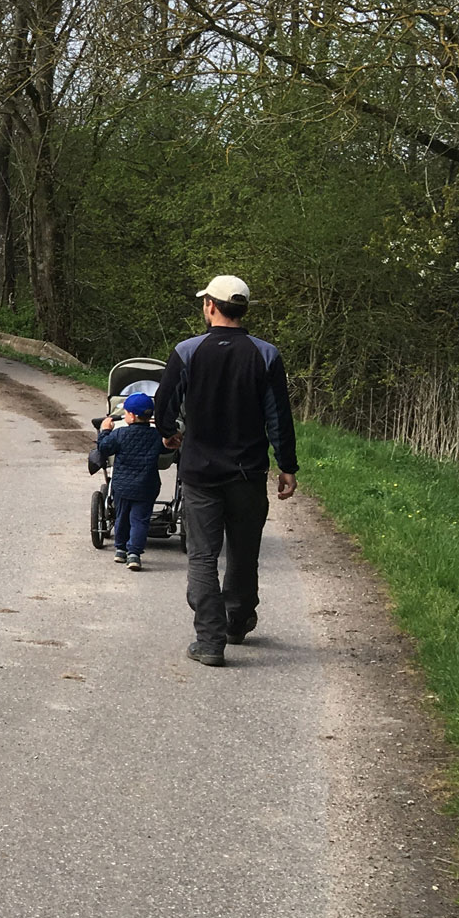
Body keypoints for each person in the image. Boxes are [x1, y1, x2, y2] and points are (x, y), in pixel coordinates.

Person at [152, 274, 299, 668]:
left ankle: (209, 640)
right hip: (248, 474)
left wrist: (170, 435)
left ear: (210, 307)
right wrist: (287, 466)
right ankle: (236, 621)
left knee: (202, 556)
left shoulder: (187, 350)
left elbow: (164, 405)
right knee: (243, 552)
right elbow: (278, 418)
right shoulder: (266, 354)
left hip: (200, 472)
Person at [93, 391, 164, 572]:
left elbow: (104, 448)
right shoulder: (155, 436)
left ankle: (120, 549)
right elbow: (165, 447)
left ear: (131, 416)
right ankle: (135, 554)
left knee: (122, 516)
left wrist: (105, 431)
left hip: (123, 486)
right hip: (147, 486)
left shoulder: (121, 434)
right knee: (140, 520)